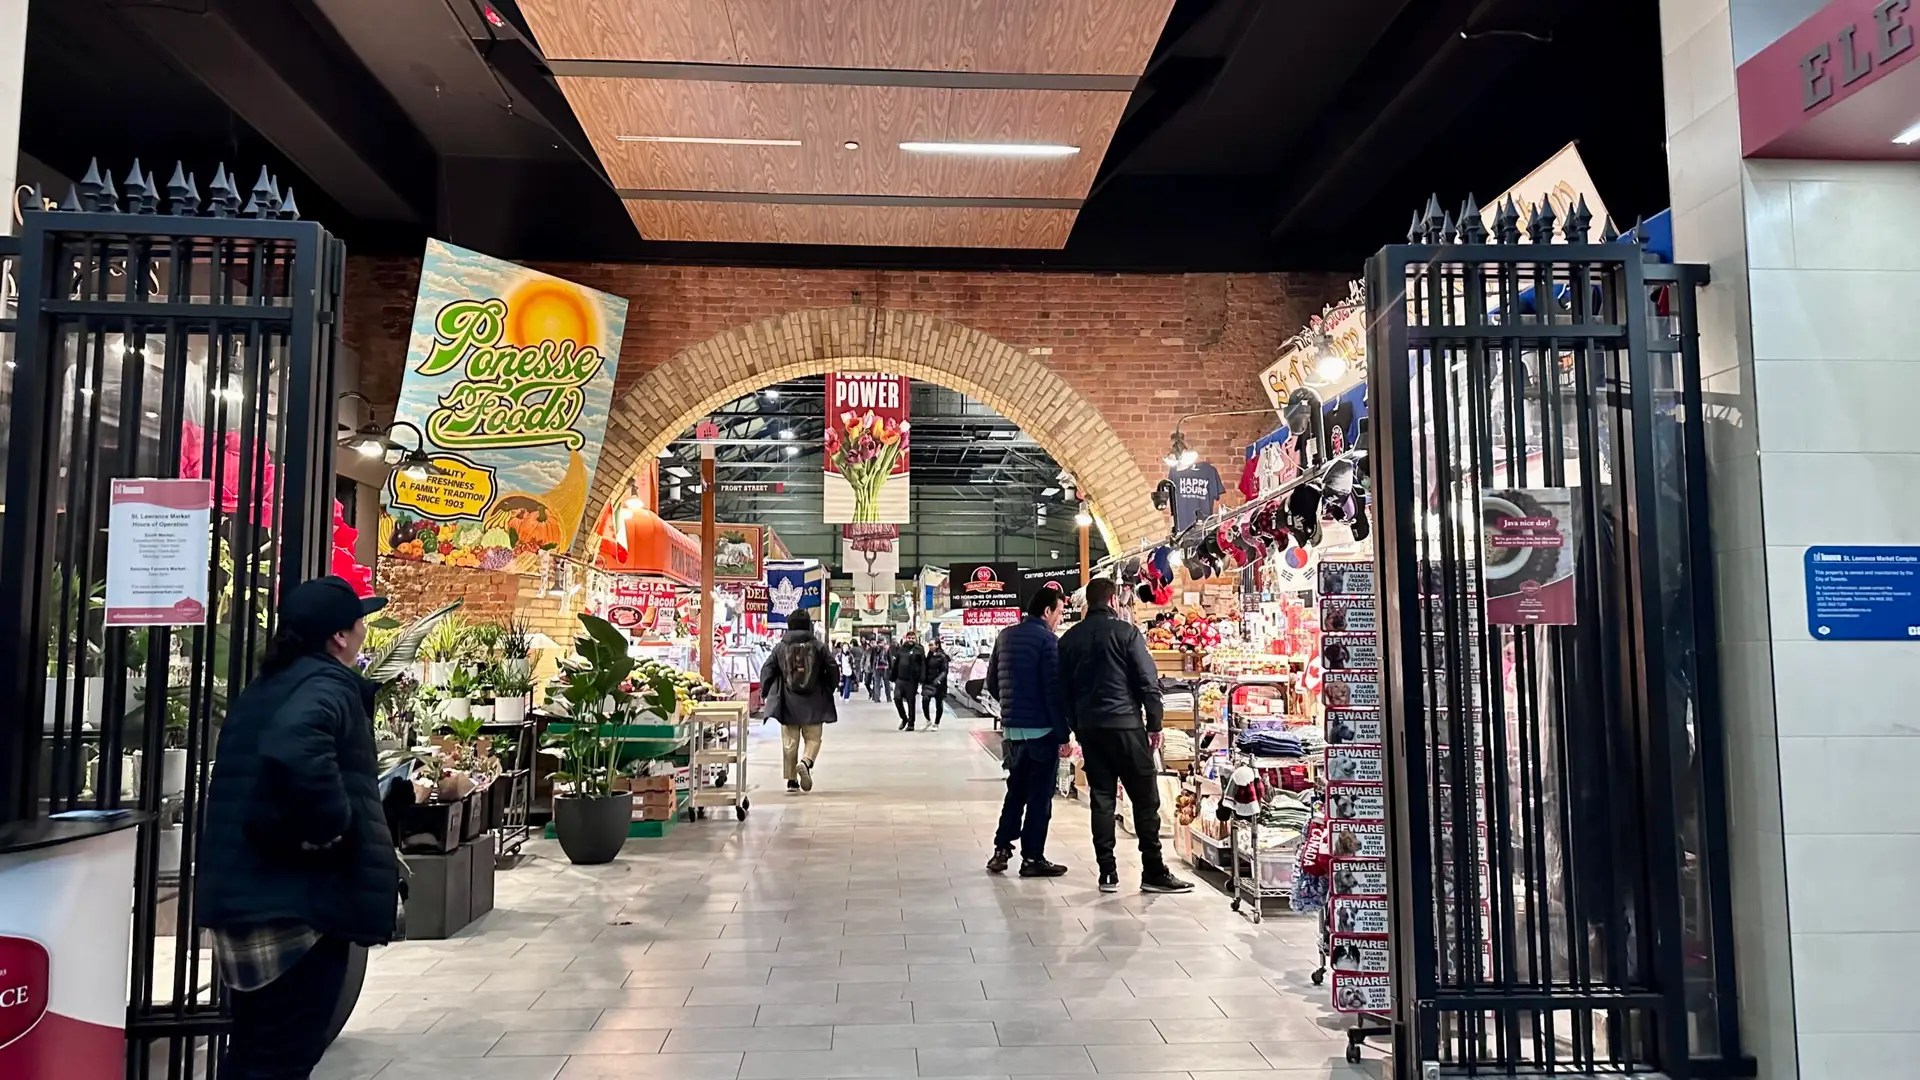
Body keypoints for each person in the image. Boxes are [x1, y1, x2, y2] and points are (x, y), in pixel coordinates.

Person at [196, 575, 399, 1079]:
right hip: (292, 908)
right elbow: (296, 745)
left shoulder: (272, 684)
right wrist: (330, 825)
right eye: (360, 622)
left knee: (255, 1052)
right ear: (339, 637)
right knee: (282, 1057)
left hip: (250, 895)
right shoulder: (326, 683)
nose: (363, 631)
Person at [1058, 577, 1195, 895]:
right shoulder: (1127, 633)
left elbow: (1060, 692)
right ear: (1113, 601)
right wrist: (1155, 724)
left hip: (1090, 730)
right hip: (1126, 726)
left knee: (1102, 799)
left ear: (1088, 603)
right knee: (1145, 799)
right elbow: (1148, 681)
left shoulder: (1069, 640)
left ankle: (1107, 873)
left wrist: (1071, 728)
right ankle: (1153, 870)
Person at [984, 583, 1071, 877]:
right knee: (1039, 798)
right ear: (1047, 611)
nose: (1060, 617)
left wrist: (1012, 707)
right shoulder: (1048, 642)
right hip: (1041, 732)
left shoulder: (1005, 636)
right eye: (1059, 611)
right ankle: (1033, 858)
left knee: (1015, 792)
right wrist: (1063, 734)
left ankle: (1002, 848)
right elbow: (1053, 691)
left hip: (1012, 732)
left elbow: (993, 684)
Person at [759, 608, 838, 794]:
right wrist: (830, 686)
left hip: (788, 701)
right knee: (813, 738)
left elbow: (767, 669)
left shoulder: (780, 647)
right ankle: (805, 762)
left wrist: (765, 691)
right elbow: (832, 667)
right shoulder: (818, 646)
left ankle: (792, 780)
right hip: (814, 700)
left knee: (789, 741)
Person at [889, 629, 927, 731]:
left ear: (916, 639)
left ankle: (911, 723)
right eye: (909, 638)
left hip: (912, 680)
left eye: (913, 638)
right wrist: (892, 676)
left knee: (911, 702)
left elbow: (923, 664)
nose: (911, 640)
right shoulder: (901, 649)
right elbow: (896, 663)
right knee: (897, 698)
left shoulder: (919, 649)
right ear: (906, 638)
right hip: (900, 679)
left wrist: (922, 678)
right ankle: (904, 718)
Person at [921, 638, 951, 730]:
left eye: (932, 645)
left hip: (939, 683)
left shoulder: (942, 657)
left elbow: (944, 670)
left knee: (939, 703)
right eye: (929, 645)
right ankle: (928, 720)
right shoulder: (929, 656)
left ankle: (936, 723)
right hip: (929, 682)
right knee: (925, 700)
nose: (930, 646)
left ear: (937, 645)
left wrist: (938, 680)